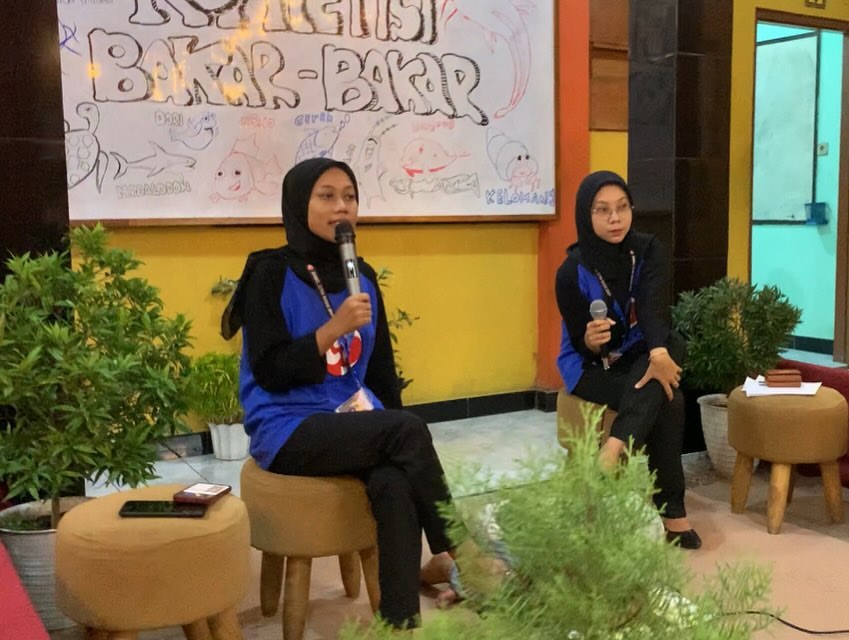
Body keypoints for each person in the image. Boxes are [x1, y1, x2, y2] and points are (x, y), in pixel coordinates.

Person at [223, 157, 455, 628]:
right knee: (407, 432)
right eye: (326, 196)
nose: (341, 207)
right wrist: (332, 329)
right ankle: (460, 553)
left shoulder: (361, 276)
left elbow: (382, 372)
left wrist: (392, 426)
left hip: (349, 420)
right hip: (287, 427)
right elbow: (270, 371)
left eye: (349, 196)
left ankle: (399, 626)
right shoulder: (270, 273)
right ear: (299, 204)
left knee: (394, 480)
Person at [554, 170, 701, 550]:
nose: (615, 218)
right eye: (602, 210)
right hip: (590, 366)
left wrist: (658, 352)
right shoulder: (570, 272)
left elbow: (653, 308)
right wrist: (590, 341)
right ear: (586, 214)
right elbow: (578, 341)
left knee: (670, 343)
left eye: (622, 207)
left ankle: (614, 446)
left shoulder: (648, 250)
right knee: (670, 398)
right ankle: (673, 513)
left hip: (639, 353)